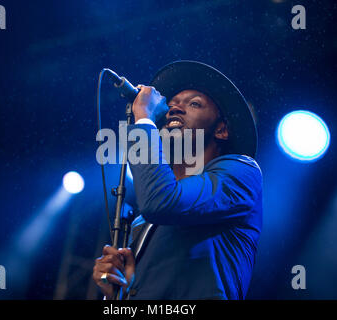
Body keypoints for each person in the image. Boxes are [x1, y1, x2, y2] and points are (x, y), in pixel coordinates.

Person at [92, 61, 262, 300]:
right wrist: (118, 293)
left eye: (193, 104)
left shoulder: (242, 174)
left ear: (221, 130)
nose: (174, 109)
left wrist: (143, 119)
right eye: (171, 105)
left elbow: (161, 201)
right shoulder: (144, 221)